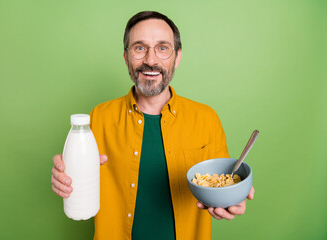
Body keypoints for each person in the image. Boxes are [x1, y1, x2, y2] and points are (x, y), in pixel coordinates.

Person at [51, 11, 254, 239]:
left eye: (162, 48)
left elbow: (222, 185)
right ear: (126, 57)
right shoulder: (98, 118)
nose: (150, 59)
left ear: (177, 57)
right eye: (139, 48)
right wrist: (66, 179)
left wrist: (232, 199)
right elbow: (79, 181)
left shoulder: (206, 119)